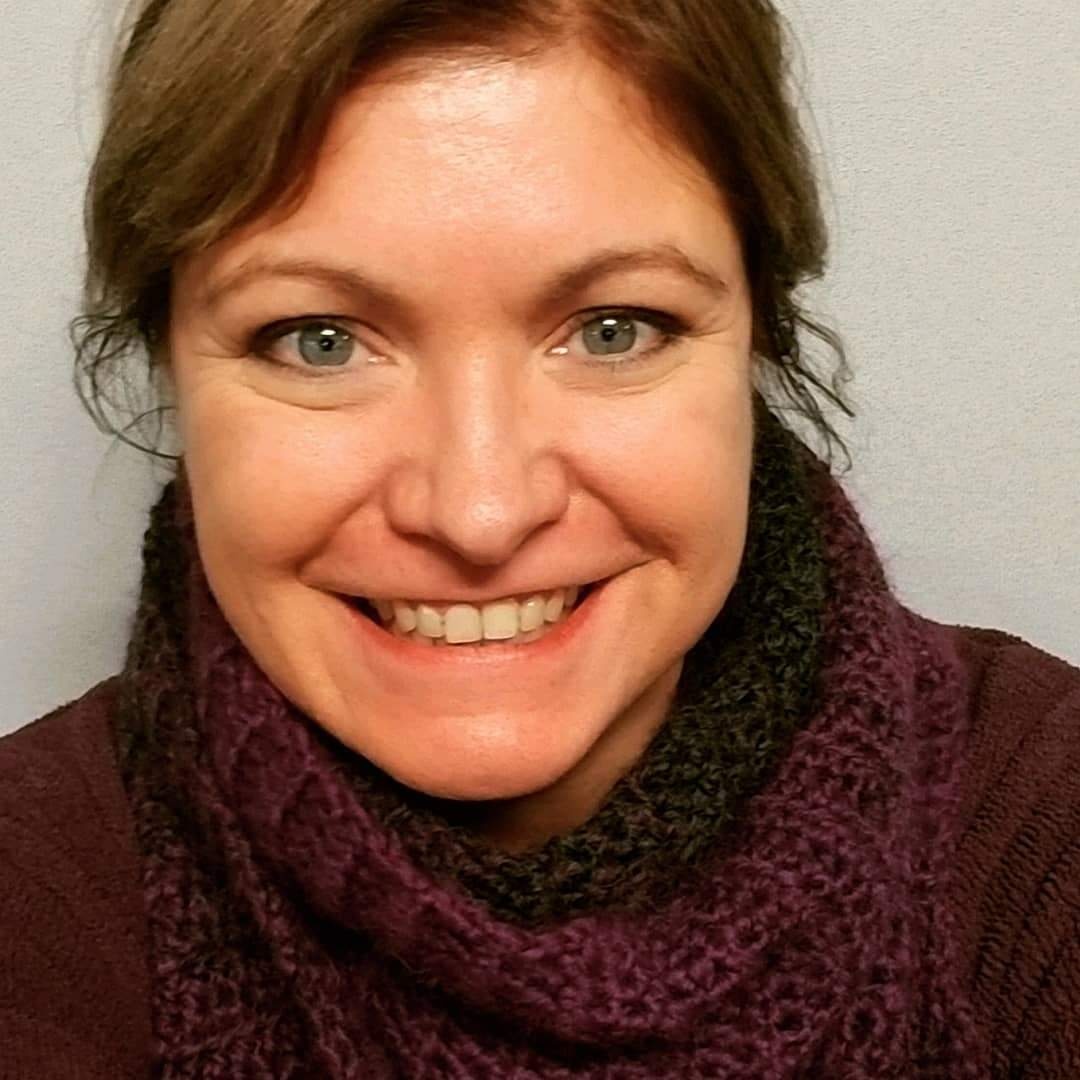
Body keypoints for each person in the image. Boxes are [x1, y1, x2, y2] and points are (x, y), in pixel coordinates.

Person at [1, 0, 1077, 1076]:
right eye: (318, 341)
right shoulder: (36, 892)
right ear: (170, 364)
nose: (481, 513)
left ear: (758, 333)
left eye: (614, 330)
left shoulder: (1041, 814)